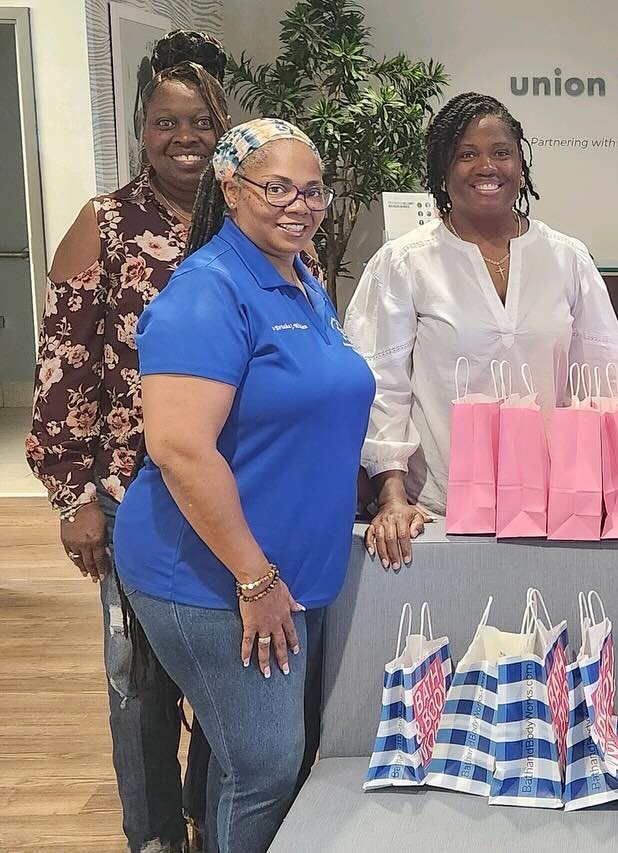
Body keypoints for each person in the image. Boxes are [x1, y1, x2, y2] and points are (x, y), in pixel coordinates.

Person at [112, 118, 374, 853]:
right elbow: (178, 448)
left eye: (313, 190)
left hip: (292, 569)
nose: (300, 205)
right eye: (278, 187)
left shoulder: (298, 278)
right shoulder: (208, 290)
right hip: (213, 574)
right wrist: (255, 578)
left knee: (256, 757)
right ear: (231, 189)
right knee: (264, 765)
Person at [25, 30, 229, 853]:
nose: (183, 140)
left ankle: (209, 809)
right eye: (164, 123)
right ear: (141, 128)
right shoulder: (105, 223)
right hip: (130, 487)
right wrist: (74, 496)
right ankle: (150, 834)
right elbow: (63, 366)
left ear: (224, 128)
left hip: (231, 483)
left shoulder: (249, 220)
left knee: (230, 663)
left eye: (200, 124)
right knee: (138, 678)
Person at [345, 92, 618, 569]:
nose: (486, 166)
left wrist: (604, 486)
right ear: (442, 168)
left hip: (552, 508)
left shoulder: (566, 257)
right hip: (438, 510)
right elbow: (379, 384)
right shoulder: (404, 261)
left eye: (501, 152)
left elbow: (603, 377)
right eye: (466, 154)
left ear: (521, 165)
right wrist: (392, 497)